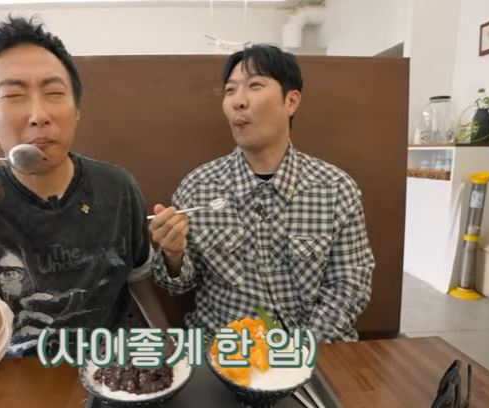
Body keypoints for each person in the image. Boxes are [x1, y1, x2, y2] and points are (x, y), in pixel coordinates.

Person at [0, 16, 167, 374]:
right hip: (11, 377)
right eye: (13, 96)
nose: (39, 115)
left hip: (112, 373)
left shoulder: (117, 187)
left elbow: (137, 275)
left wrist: (166, 339)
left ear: (76, 109)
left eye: (54, 93)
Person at [149, 44, 375, 343]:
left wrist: (297, 352)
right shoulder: (198, 187)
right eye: (230, 91)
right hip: (225, 349)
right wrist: (173, 254)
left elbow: (350, 285)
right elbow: (177, 286)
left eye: (254, 86)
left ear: (291, 101)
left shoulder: (336, 188)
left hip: (316, 349)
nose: (238, 101)